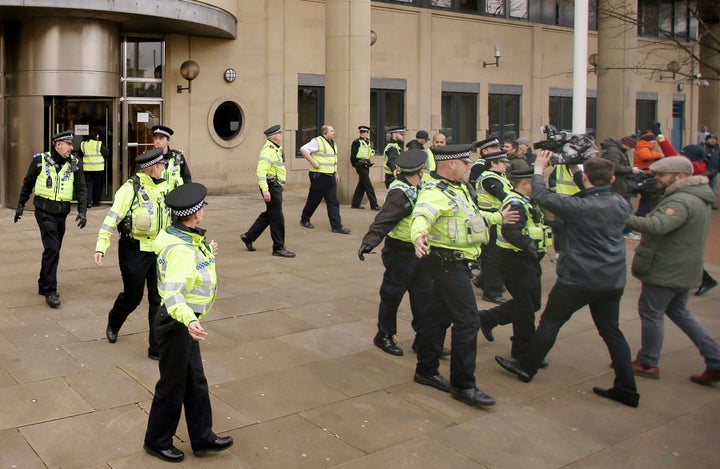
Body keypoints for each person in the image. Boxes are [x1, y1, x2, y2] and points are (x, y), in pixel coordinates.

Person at [495, 153, 640, 408]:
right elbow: (592, 188)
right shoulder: (620, 204)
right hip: (612, 280)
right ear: (613, 179)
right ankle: (627, 387)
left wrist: (539, 169)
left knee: (550, 322)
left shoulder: (581, 208)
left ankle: (527, 367)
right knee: (612, 332)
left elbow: (543, 196)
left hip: (579, 278)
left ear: (585, 178)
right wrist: (576, 167)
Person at [411, 144, 517, 408]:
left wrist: (498, 217)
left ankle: (425, 369)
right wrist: (418, 236)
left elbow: (473, 218)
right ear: (450, 165)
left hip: (456, 264)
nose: (470, 166)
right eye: (465, 163)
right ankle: (463, 385)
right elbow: (422, 214)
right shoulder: (436, 192)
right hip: (448, 264)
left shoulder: (459, 189)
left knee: (438, 318)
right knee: (468, 322)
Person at [144, 182, 233, 463]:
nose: (204, 211)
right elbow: (172, 292)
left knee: (195, 381)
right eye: (202, 207)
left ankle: (202, 436)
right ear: (195, 214)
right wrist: (188, 320)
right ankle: (157, 441)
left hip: (184, 322)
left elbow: (191, 264)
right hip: (177, 323)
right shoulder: (181, 249)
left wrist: (207, 252)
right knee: (172, 385)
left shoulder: (185, 237)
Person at [625, 156, 720, 385]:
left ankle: (647, 362)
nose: (656, 179)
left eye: (661, 175)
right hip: (681, 267)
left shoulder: (681, 201)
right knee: (679, 313)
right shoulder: (693, 196)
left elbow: (658, 226)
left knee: (651, 313)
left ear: (680, 177)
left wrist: (621, 216)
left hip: (667, 269)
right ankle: (715, 361)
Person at [358, 149, 447, 357]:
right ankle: (384, 334)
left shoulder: (422, 186)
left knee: (424, 296)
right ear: (420, 171)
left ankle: (423, 338)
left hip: (420, 251)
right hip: (400, 251)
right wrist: (370, 241)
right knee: (392, 294)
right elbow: (384, 219)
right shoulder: (399, 192)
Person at [94, 148, 170, 359]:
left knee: (158, 299)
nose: (164, 168)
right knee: (133, 297)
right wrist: (101, 246)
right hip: (134, 251)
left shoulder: (165, 187)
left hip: (158, 250)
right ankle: (114, 321)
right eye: (161, 165)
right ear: (153, 168)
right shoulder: (130, 189)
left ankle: (155, 348)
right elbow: (112, 218)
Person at [478, 167, 553, 363]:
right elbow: (511, 232)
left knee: (531, 303)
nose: (540, 186)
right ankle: (522, 350)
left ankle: (488, 318)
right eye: (536, 182)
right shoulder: (515, 203)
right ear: (525, 183)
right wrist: (529, 245)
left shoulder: (527, 201)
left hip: (526, 259)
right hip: (515, 260)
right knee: (526, 308)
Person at [14, 130, 88, 308]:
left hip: (61, 214)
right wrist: (21, 205)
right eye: (68, 144)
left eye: (72, 144)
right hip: (44, 212)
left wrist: (82, 211)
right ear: (57, 145)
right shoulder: (40, 160)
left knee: (53, 250)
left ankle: (43, 282)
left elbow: (81, 189)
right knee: (52, 248)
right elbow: (28, 183)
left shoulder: (75, 164)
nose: (72, 147)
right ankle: (50, 290)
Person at [240, 125, 295, 257]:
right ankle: (278, 248)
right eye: (280, 134)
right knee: (277, 217)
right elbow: (261, 171)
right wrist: (265, 190)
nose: (282, 136)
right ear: (276, 137)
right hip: (271, 186)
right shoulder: (268, 151)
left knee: (271, 214)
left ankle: (248, 237)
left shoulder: (276, 149)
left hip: (275, 186)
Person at [473, 150, 513, 304]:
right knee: (494, 257)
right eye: (502, 162)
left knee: (492, 255)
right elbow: (502, 195)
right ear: (493, 163)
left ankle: (483, 280)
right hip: (491, 220)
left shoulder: (498, 177)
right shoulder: (490, 179)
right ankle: (492, 291)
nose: (506, 165)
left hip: (496, 218)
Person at [299, 124, 351, 234]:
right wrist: (313, 162)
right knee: (314, 200)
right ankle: (304, 219)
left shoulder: (333, 144)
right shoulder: (318, 141)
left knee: (333, 202)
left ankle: (337, 226)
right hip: (319, 176)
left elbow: (333, 160)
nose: (334, 132)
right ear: (325, 133)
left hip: (330, 176)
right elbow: (303, 149)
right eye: (331, 131)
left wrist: (336, 173)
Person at [600, 136, 641, 239]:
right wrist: (630, 170)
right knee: (626, 208)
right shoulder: (614, 151)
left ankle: (624, 231)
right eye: (631, 147)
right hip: (617, 186)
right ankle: (625, 231)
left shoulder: (615, 150)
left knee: (625, 208)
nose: (631, 149)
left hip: (619, 185)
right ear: (626, 144)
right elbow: (612, 167)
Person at [350, 125, 380, 210]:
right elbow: (353, 155)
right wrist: (355, 164)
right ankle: (374, 204)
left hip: (366, 164)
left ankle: (355, 204)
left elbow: (369, 153)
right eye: (361, 132)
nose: (362, 133)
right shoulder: (356, 142)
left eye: (364, 132)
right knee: (368, 185)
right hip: (360, 165)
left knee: (362, 184)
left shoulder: (369, 142)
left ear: (367, 133)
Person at [79, 128, 109, 208]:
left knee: (89, 185)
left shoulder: (83, 144)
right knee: (97, 185)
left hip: (87, 168)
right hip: (98, 167)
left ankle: (88, 202)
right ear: (96, 135)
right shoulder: (98, 144)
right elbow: (106, 153)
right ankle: (96, 202)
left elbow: (80, 154)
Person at [703, 133, 719, 208]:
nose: (713, 140)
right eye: (711, 139)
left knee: (713, 188)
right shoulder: (702, 148)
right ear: (706, 140)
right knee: (704, 188)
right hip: (704, 172)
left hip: (714, 172)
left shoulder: (717, 149)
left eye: (715, 139)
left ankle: (711, 203)